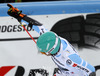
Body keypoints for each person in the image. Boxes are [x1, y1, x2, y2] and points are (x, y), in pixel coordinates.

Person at [7, 4, 96, 76]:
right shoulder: (50, 38)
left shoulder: (69, 58)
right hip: (64, 71)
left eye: (44, 52)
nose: (44, 53)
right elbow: (37, 26)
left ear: (52, 50)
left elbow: (91, 70)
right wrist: (19, 15)